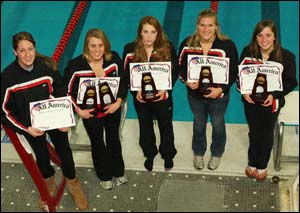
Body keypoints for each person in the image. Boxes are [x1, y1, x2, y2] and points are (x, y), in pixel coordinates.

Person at [0, 32, 88, 210]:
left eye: (30, 49)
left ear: (35, 48)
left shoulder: (47, 67)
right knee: (41, 155)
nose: (27, 54)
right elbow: (4, 110)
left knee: (64, 151)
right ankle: (49, 178)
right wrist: (26, 128)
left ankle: (73, 182)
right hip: (31, 125)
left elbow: (63, 92)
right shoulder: (9, 76)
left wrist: (66, 118)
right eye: (22, 50)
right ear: (15, 52)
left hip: (54, 119)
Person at [63, 28, 128, 190]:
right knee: (98, 142)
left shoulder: (113, 59)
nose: (97, 50)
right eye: (93, 46)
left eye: (100, 45)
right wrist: (79, 110)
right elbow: (67, 91)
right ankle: (104, 175)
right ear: (87, 47)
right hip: (90, 112)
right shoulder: (76, 66)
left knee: (114, 139)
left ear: (105, 46)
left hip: (111, 108)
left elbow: (123, 82)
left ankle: (118, 170)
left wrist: (118, 101)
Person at [178, 9, 238, 170]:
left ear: (216, 27)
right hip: (195, 96)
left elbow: (234, 72)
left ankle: (217, 153)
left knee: (218, 124)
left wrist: (221, 90)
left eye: (210, 25)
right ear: (197, 26)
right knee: (199, 123)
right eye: (202, 25)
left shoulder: (227, 45)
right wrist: (187, 82)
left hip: (219, 96)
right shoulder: (187, 44)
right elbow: (180, 67)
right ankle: (198, 152)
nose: (206, 29)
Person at [238, 20, 298, 181]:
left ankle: (262, 164)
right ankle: (252, 161)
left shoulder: (286, 56)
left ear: (274, 37)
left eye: (268, 35)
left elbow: (291, 81)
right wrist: (244, 92)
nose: (264, 39)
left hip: (272, 101)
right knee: (254, 131)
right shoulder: (247, 52)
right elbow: (240, 76)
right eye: (260, 35)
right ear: (255, 37)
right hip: (251, 101)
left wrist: (275, 94)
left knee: (266, 132)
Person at [123, 16, 179, 172]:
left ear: (158, 33)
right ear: (140, 33)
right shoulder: (130, 50)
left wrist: (166, 89)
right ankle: (150, 154)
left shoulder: (167, 48)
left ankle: (168, 154)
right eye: (145, 32)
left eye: (153, 32)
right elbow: (126, 74)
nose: (149, 36)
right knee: (145, 126)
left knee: (165, 125)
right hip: (141, 97)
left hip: (163, 96)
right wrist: (136, 91)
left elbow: (174, 71)